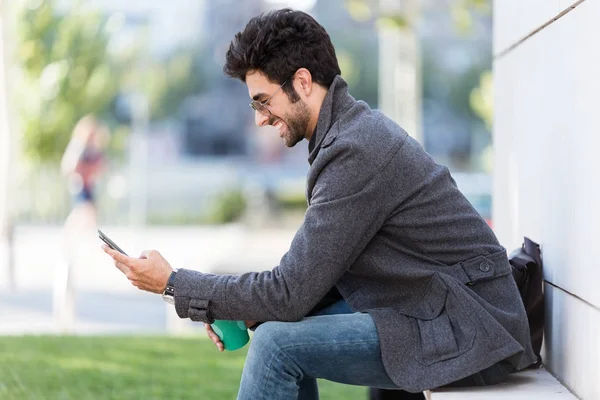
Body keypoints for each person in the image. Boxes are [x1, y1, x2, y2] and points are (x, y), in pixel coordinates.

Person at [102, 9, 536, 400]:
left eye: (263, 101)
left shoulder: (356, 150)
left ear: (303, 83)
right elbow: (303, 285)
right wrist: (239, 308)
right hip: (440, 309)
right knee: (275, 328)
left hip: (472, 331)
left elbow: (288, 293)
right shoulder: (347, 136)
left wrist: (174, 284)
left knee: (276, 346)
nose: (259, 118)